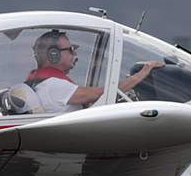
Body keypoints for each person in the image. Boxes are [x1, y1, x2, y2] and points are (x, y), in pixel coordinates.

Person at [22, 29, 163, 114]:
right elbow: (106, 93)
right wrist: (143, 73)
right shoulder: (53, 86)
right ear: (54, 55)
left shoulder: (41, 83)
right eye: (70, 50)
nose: (75, 54)